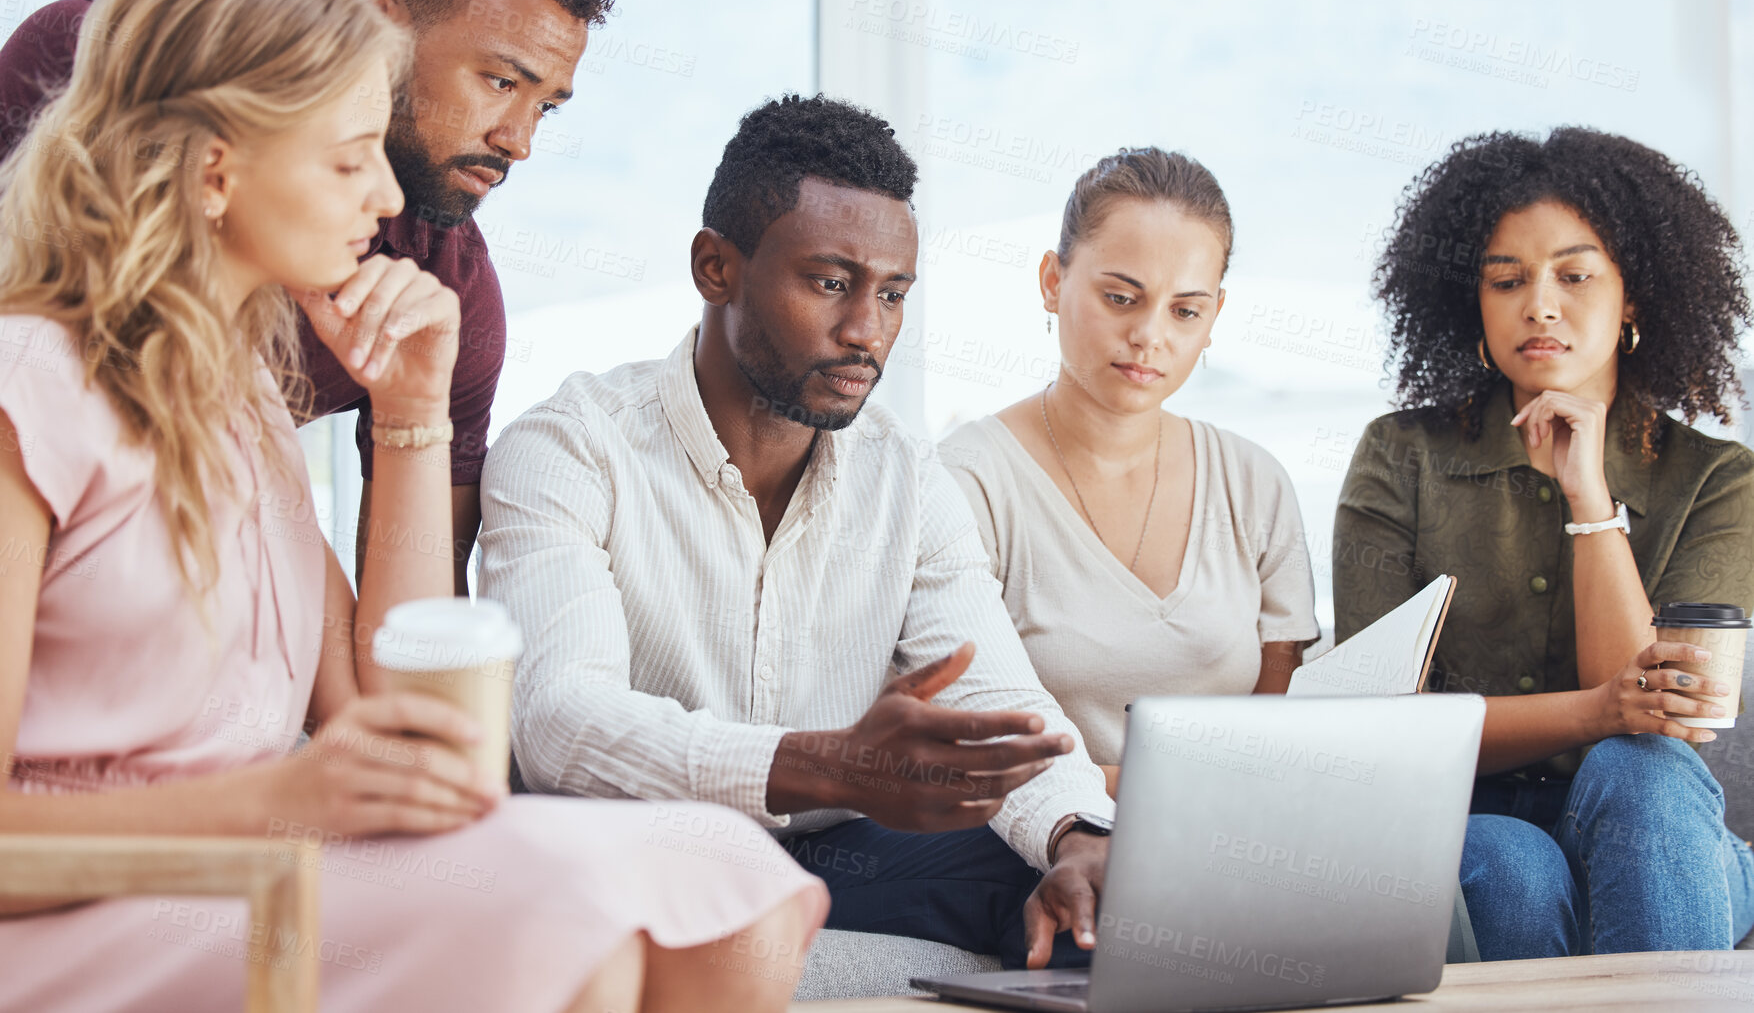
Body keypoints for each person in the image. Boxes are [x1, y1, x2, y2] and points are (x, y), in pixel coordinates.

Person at [0, 0, 824, 1013]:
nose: (386, 192)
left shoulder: (239, 399)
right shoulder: (28, 383)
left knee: (726, 874)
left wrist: (411, 411)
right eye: (348, 160)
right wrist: (274, 804)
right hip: (77, 917)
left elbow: (387, 698)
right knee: (561, 917)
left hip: (239, 880)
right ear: (214, 172)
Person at [479, 94, 1117, 970]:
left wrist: (1076, 835)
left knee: (1107, 904)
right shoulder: (570, 446)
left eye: (892, 294)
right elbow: (561, 724)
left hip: (840, 855)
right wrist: (829, 766)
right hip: (635, 856)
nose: (868, 332)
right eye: (830, 283)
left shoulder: (903, 473)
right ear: (716, 268)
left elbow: (1000, 708)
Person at [0, 0, 610, 594]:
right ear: (377, 25)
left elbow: (409, 637)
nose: (519, 142)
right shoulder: (98, 60)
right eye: (501, 83)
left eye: (547, 107)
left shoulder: (444, 304)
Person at [1334, 127, 1754, 959]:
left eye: (1575, 274)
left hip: (1663, 834)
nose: (1540, 305)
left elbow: (1653, 725)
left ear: (1633, 296)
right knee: (1511, 867)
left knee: (1641, 775)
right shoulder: (1401, 456)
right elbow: (1380, 723)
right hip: (1468, 821)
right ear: (1473, 302)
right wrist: (1593, 711)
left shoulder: (1718, 479)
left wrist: (1589, 499)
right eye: (1507, 280)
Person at [939, 148, 1319, 798]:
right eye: (1121, 297)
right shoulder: (970, 481)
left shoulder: (1254, 484)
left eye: (1185, 311)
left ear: (1215, 317)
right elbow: (965, 739)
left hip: (1233, 842)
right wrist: (1160, 790)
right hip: (1038, 847)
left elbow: (1275, 732)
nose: (1150, 335)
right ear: (1051, 282)